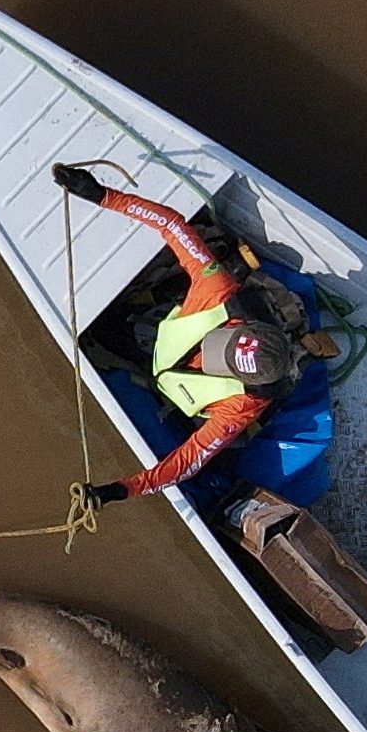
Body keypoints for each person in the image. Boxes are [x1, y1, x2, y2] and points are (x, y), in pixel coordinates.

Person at [52, 163, 299, 506]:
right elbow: (171, 224)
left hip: (183, 397)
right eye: (222, 345)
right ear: (239, 325)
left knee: (223, 460)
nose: (211, 355)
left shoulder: (242, 405)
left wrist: (121, 489)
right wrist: (102, 195)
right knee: (114, 332)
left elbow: (188, 461)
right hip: (159, 349)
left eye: (223, 363)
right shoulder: (217, 289)